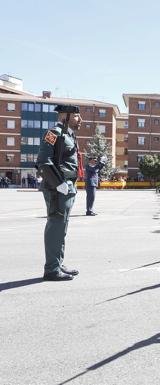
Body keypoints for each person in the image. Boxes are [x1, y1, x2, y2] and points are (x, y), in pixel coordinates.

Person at [36, 104, 83, 281]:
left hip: (68, 187)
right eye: (77, 116)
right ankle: (51, 269)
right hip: (58, 189)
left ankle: (57, 263)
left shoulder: (68, 134)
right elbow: (43, 161)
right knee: (56, 227)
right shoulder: (54, 133)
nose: (80, 120)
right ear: (66, 115)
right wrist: (59, 183)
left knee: (61, 227)